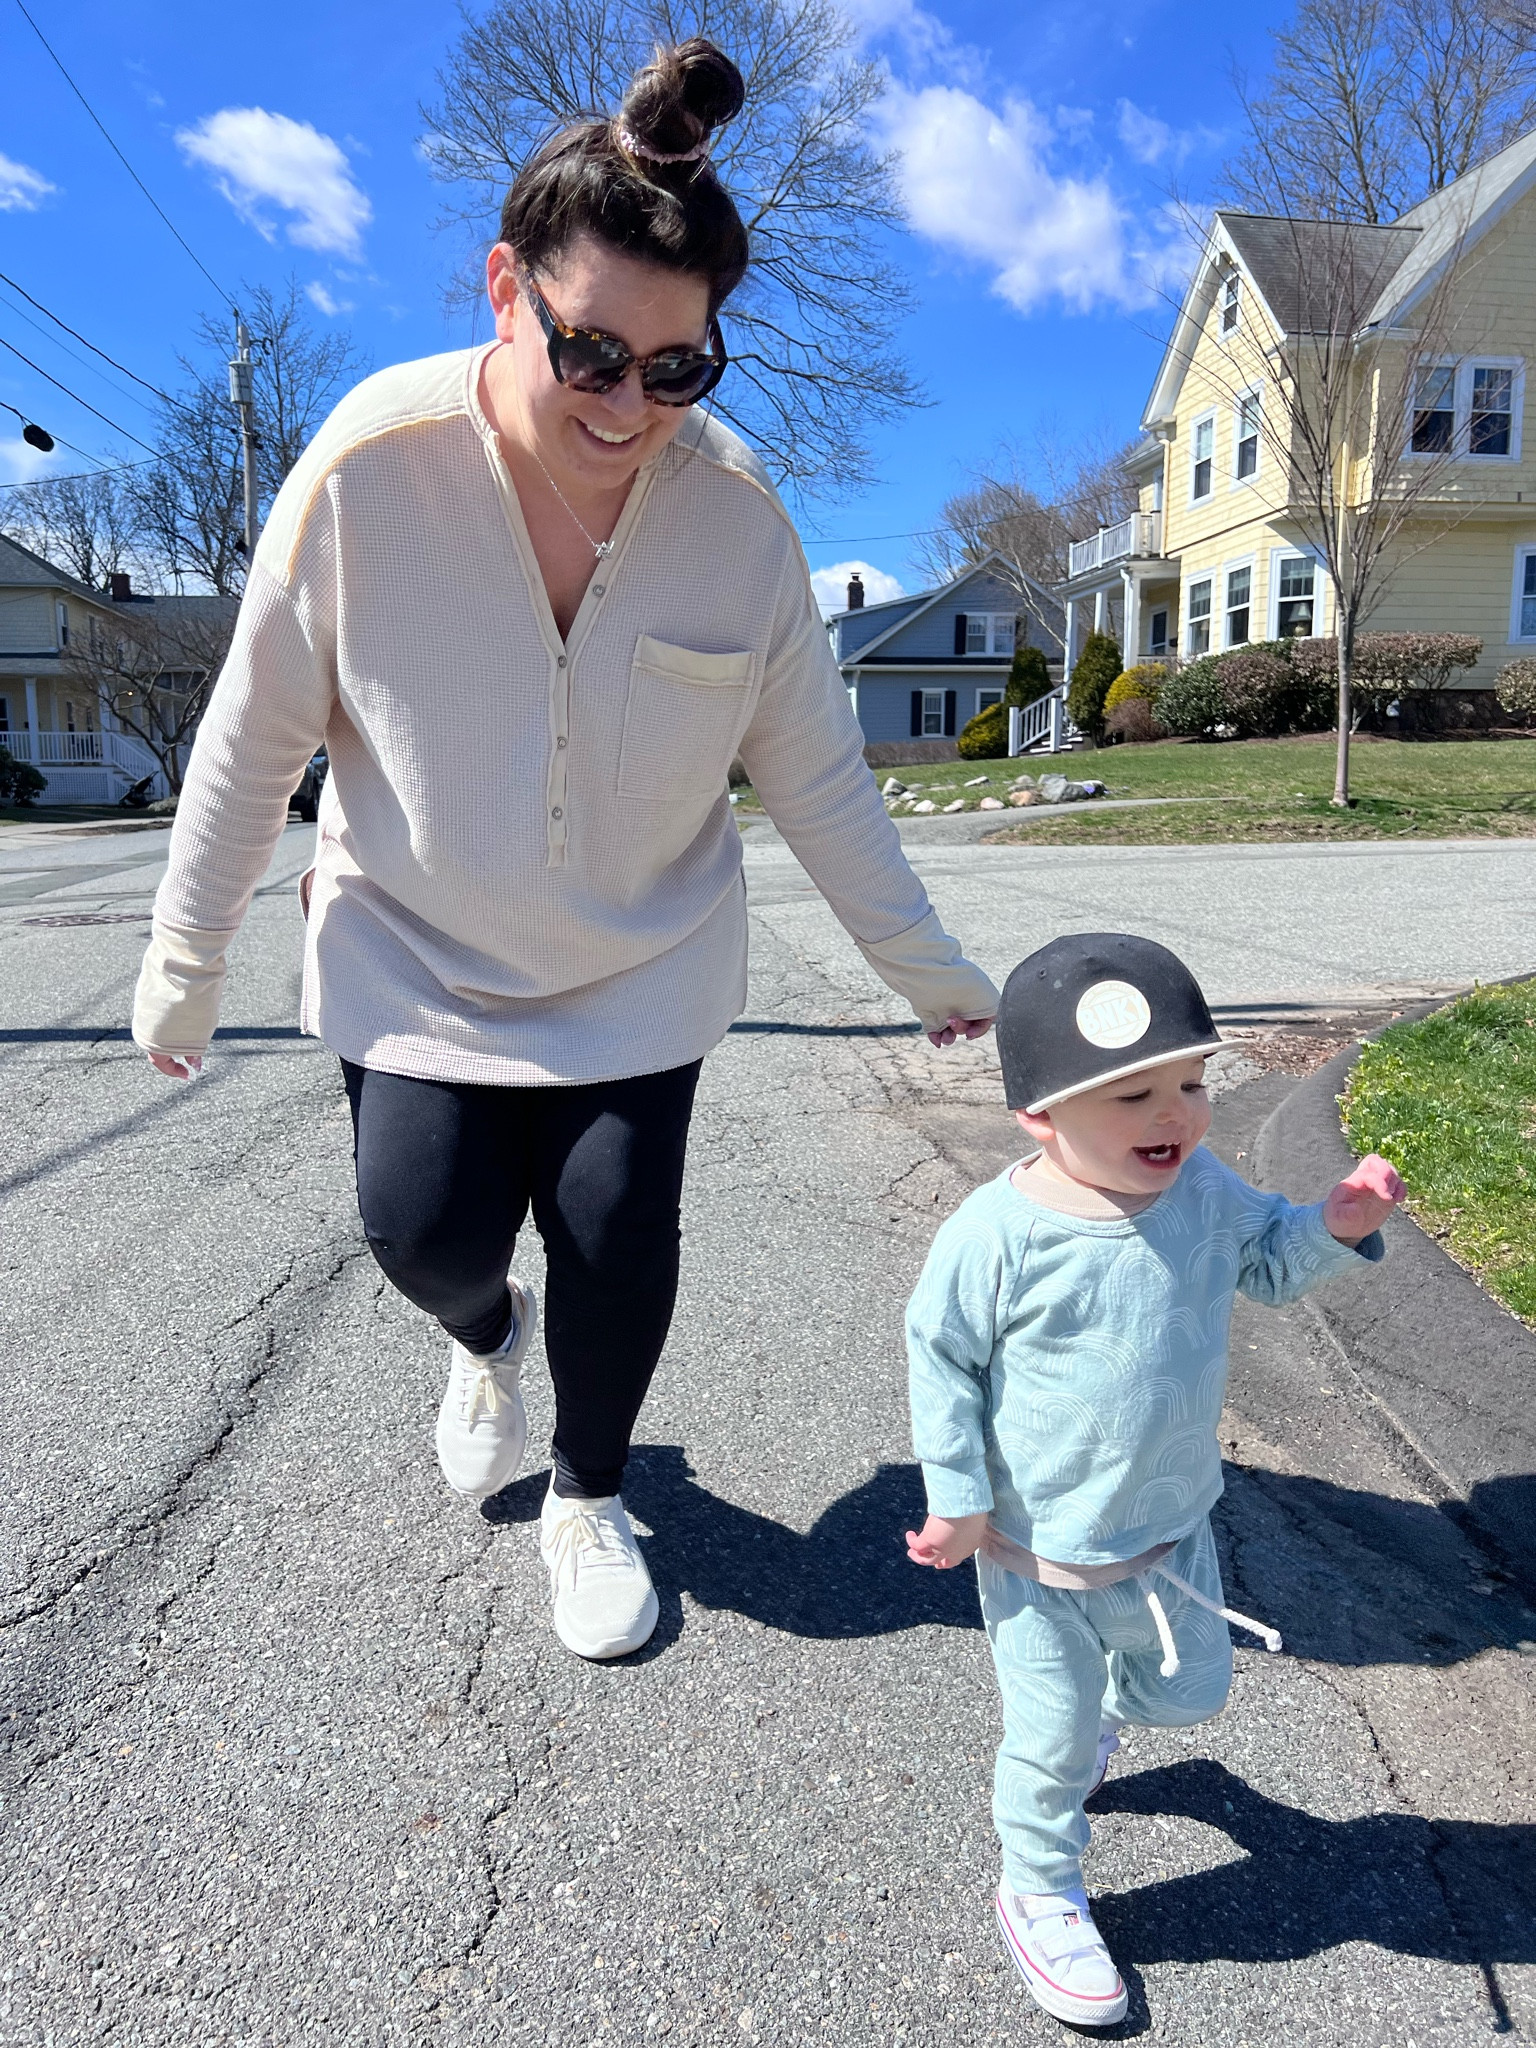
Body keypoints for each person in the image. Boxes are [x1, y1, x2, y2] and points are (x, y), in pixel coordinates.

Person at [132, 37, 997, 1665]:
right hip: (409, 941)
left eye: (678, 368)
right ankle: (483, 1337)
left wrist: (927, 970)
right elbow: (254, 734)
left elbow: (818, 773)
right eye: (592, 352)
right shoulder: (366, 472)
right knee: (421, 1229)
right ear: (502, 287)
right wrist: (181, 965)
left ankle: (588, 1494)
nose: (628, 406)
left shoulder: (738, 524)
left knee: (617, 1239)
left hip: (636, 965)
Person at [903, 933, 1401, 2029]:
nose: (1172, 1113)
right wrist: (957, 1493)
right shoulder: (998, 1236)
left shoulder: (1205, 1189)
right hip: (1035, 1552)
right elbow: (940, 1355)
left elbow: (1268, 1258)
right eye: (1131, 1094)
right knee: (1047, 1736)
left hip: (1175, 1534)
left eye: (1191, 1081)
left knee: (1191, 1695)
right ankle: (1038, 1884)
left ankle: (1100, 1724)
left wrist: (1332, 1225)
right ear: (1041, 1114)